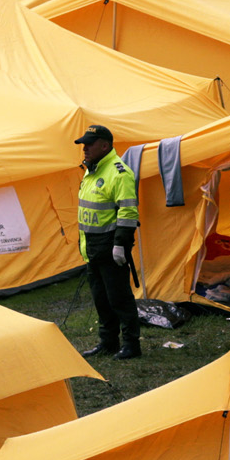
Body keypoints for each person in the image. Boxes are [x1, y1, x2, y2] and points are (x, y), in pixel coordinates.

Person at [74, 124, 141, 360]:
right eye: (84, 144)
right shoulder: (91, 170)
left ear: (105, 145)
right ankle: (108, 341)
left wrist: (121, 244)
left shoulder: (118, 172)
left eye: (89, 144)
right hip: (92, 248)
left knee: (119, 298)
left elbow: (128, 212)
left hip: (111, 247)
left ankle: (131, 344)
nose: (85, 148)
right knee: (101, 300)